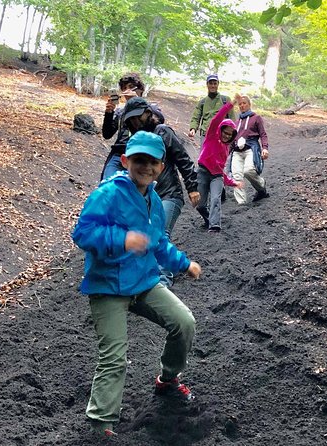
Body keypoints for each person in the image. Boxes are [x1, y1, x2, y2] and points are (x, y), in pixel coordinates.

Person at [72, 131, 201, 438]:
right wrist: (122, 240)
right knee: (114, 358)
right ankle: (101, 424)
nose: (146, 167)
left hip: (144, 284)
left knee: (184, 322)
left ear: (162, 165)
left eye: (152, 161)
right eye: (139, 160)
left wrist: (184, 264)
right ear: (126, 161)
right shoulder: (108, 194)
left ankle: (168, 379)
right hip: (107, 287)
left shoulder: (154, 201)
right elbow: (82, 234)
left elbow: (158, 244)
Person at [121, 97, 200, 286]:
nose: (135, 123)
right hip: (144, 197)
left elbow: (183, 159)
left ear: (148, 114)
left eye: (137, 117)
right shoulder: (134, 141)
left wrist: (192, 188)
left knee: (160, 234)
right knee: (144, 235)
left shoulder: (162, 132)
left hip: (169, 194)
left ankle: (163, 280)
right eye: (130, 120)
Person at [100, 73, 164, 181]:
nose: (127, 91)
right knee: (108, 182)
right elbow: (107, 134)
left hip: (142, 153)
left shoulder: (151, 109)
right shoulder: (121, 112)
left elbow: (160, 120)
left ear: (139, 90)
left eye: (130, 87)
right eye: (124, 88)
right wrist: (109, 113)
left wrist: (138, 101)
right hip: (120, 153)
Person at [196, 94, 243, 232]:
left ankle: (215, 226)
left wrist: (233, 183)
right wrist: (231, 104)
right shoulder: (211, 135)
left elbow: (220, 170)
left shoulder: (226, 148)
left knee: (215, 199)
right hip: (203, 172)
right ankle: (209, 220)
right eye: (225, 132)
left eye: (230, 135)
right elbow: (217, 119)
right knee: (200, 205)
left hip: (216, 176)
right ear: (220, 130)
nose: (226, 136)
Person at [230, 95, 270, 203]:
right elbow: (231, 138)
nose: (242, 106)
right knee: (236, 176)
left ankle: (261, 185)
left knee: (248, 170)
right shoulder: (236, 122)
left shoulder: (256, 118)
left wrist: (265, 148)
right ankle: (241, 203)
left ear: (249, 104)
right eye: (240, 104)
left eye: (244, 103)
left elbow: (263, 134)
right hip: (237, 151)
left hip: (250, 148)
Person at [188, 74, 237, 149]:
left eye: (215, 83)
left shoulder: (225, 100)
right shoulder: (202, 102)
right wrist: (193, 129)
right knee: (204, 158)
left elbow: (232, 119)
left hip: (222, 136)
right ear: (207, 84)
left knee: (219, 159)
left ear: (218, 84)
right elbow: (196, 117)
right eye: (210, 83)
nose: (213, 86)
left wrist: (233, 135)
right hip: (206, 135)